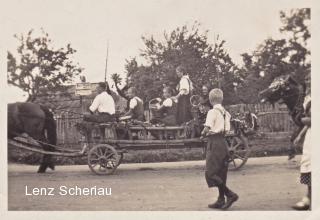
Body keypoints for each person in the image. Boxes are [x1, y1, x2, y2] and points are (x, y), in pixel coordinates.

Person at [201, 88, 238, 210]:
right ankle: (221, 199)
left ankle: (230, 194)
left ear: (211, 100)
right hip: (224, 142)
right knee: (222, 172)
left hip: (214, 142)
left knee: (210, 173)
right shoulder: (226, 113)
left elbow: (207, 129)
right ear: (221, 99)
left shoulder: (212, 112)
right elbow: (228, 129)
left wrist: (202, 133)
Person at [292, 75, 311, 211]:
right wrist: (300, 135)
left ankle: (308, 198)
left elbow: (312, 119)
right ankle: (309, 197)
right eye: (306, 79)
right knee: (309, 164)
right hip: (311, 134)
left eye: (311, 79)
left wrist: (303, 120)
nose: (308, 82)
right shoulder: (307, 97)